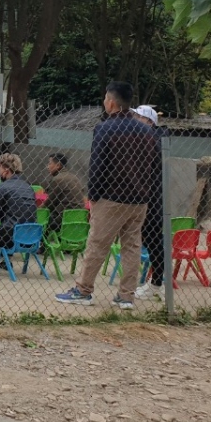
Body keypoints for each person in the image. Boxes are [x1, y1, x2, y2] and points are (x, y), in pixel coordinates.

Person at [56, 82, 158, 308]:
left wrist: (93, 195)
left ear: (111, 102)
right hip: (139, 199)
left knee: (97, 244)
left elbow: (98, 164)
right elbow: (153, 167)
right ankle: (126, 296)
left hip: (111, 197)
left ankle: (83, 290)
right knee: (131, 247)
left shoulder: (105, 128)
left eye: (105, 99)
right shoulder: (148, 132)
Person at [130, 107, 168, 301]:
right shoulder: (149, 139)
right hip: (145, 195)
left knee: (153, 240)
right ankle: (157, 281)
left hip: (150, 198)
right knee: (150, 240)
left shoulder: (152, 140)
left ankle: (157, 282)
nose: (135, 119)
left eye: (139, 117)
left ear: (149, 122)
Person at [0, 152, 37, 253]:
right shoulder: (28, 187)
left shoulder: (3, 187)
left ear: (6, 170)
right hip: (31, 234)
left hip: (11, 234)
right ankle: (5, 260)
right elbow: (13, 209)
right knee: (7, 225)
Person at [44, 152, 85, 231]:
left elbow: (49, 204)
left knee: (40, 218)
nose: (47, 167)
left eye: (49, 164)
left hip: (62, 219)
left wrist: (36, 211)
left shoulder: (57, 179)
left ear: (58, 165)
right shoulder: (74, 177)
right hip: (79, 218)